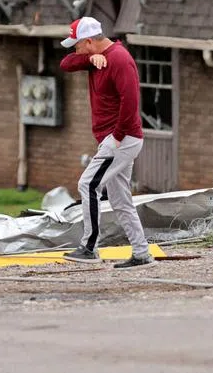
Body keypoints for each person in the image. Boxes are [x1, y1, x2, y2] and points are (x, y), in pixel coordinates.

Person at [57, 16, 154, 268]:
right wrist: (88, 58)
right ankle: (142, 253)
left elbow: (131, 101)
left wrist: (118, 137)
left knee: (88, 185)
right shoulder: (96, 59)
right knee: (121, 200)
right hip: (116, 139)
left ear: (89, 41)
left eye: (77, 45)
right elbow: (65, 63)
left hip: (121, 138)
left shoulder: (119, 59)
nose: (74, 50)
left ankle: (89, 247)